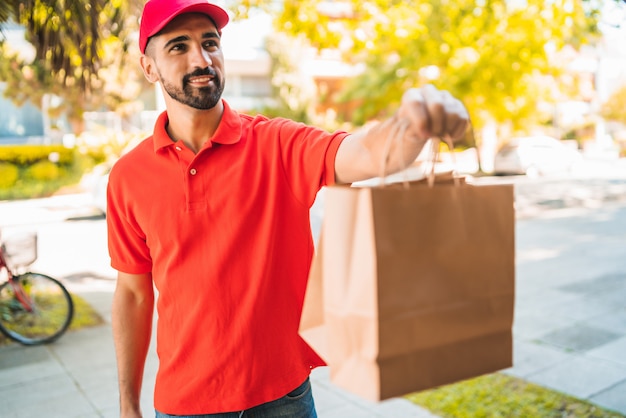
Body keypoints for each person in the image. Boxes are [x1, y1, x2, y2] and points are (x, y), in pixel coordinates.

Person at [108, 0, 470, 417]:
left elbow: (362, 153)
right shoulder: (128, 177)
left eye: (211, 43)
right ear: (148, 67)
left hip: (284, 399)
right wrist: (128, 404)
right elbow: (133, 294)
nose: (201, 59)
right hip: (184, 405)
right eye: (178, 47)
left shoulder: (276, 143)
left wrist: (411, 127)